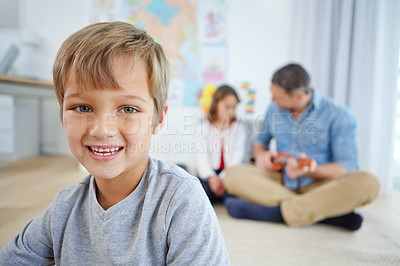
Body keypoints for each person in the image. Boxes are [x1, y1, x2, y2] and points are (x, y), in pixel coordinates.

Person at [0, 22, 230, 265]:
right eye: (83, 108)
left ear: (159, 119)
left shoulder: (182, 200)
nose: (102, 130)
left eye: (128, 109)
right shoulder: (64, 208)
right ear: (61, 113)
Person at [223, 63, 380, 231]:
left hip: (320, 184)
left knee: (369, 183)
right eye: (272, 95)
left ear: (299, 96)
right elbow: (260, 142)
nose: (272, 100)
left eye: (279, 97)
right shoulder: (273, 109)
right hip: (280, 181)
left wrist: (309, 170)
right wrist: (261, 154)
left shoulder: (339, 114)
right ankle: (324, 213)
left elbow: (346, 166)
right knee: (232, 175)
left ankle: (276, 213)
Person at [196, 85, 247, 203]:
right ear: (216, 104)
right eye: (227, 107)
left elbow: (237, 158)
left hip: (229, 174)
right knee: (200, 191)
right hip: (209, 175)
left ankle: (227, 199)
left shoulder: (239, 129)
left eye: (234, 108)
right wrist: (211, 177)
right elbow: (201, 156)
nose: (231, 112)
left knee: (233, 194)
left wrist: (223, 178)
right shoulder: (203, 128)